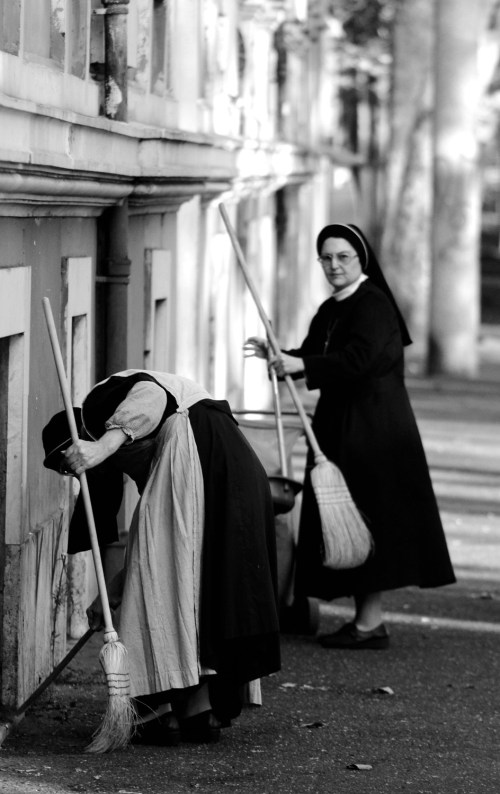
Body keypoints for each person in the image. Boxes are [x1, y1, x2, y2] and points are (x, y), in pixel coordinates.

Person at [244, 223, 456, 650]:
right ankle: (366, 621)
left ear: (361, 259)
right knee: (351, 520)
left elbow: (357, 361)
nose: (334, 265)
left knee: (368, 519)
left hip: (374, 432)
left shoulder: (373, 305)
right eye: (327, 257)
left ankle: (369, 622)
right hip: (342, 427)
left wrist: (299, 365)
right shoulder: (333, 307)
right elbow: (314, 355)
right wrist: (282, 356)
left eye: (343, 257)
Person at [42, 369, 280, 744]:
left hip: (203, 455)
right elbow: (154, 537)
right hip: (232, 469)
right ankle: (195, 711)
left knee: (170, 585)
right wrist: (119, 586)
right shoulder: (147, 453)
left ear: (79, 438)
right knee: (203, 582)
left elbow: (151, 396)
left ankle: (162, 706)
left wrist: (100, 447)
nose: (79, 471)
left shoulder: (101, 406)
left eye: (74, 462)